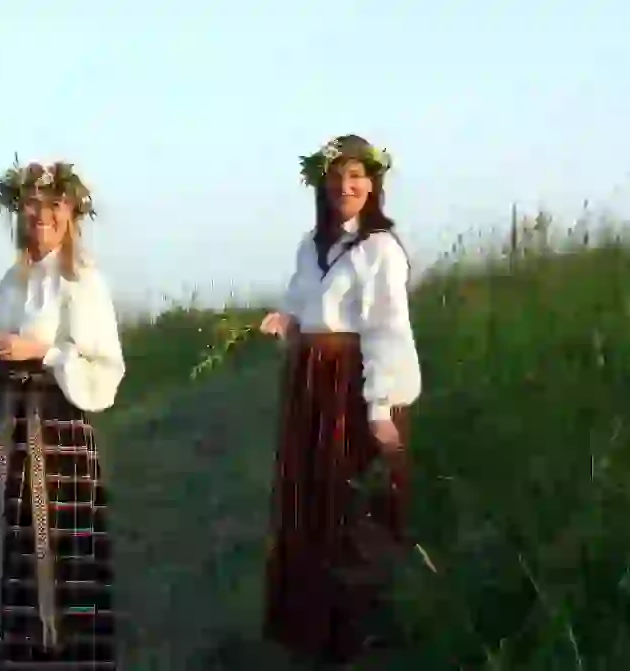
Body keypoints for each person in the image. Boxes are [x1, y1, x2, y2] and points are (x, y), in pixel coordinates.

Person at [0, 159, 126, 669]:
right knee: (3, 546)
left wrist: (40, 352)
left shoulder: (83, 281)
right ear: (18, 212)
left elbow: (106, 367)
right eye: (32, 205)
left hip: (55, 432)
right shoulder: (13, 279)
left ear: (71, 212)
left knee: (54, 550)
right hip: (3, 426)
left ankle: (59, 657)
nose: (41, 215)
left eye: (53, 205)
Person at [258, 135, 422, 666]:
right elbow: (302, 303)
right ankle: (312, 628)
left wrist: (380, 408)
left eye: (355, 177)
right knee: (309, 498)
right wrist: (287, 319)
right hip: (311, 382)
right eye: (336, 178)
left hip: (351, 383)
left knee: (351, 498)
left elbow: (386, 331)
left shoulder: (380, 249)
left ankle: (363, 631)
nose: (345, 187)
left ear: (373, 183)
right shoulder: (312, 245)